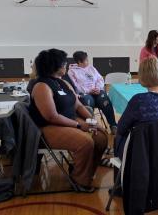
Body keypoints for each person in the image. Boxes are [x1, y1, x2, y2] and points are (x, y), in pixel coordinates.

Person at [28, 49, 108, 192]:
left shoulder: (63, 82)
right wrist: (79, 125)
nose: (66, 64)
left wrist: (91, 120)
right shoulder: (41, 86)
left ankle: (86, 171)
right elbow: (51, 116)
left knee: (101, 136)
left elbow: (78, 105)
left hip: (69, 121)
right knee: (85, 141)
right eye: (63, 62)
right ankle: (79, 180)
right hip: (49, 127)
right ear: (54, 66)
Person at [114, 57, 158, 159]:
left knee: (118, 136)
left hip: (142, 153)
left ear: (142, 76)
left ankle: (121, 171)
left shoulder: (138, 100)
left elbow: (121, 128)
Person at [68, 51, 118, 134]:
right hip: (85, 94)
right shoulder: (72, 71)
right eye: (86, 60)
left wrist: (98, 88)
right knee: (87, 102)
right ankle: (93, 127)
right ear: (79, 62)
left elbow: (100, 79)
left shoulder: (91, 68)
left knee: (105, 100)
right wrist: (88, 91)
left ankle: (113, 125)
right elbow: (76, 86)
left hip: (97, 91)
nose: (88, 62)